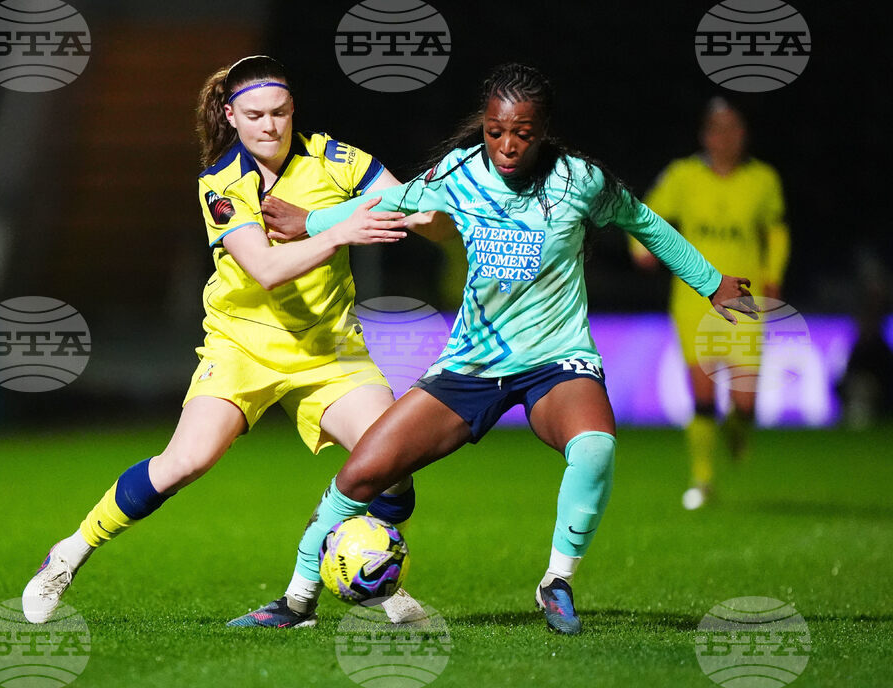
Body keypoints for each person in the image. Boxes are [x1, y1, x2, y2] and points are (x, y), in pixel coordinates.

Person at [235, 63, 758, 634]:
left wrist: (712, 282)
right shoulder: (460, 171)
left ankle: (556, 581)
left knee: (595, 448)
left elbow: (647, 224)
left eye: (522, 133)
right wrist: (312, 220)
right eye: (495, 130)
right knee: (361, 476)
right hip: (471, 366)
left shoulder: (579, 182)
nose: (507, 146)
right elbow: (394, 202)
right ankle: (297, 598)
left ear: (543, 131)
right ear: (484, 125)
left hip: (556, 361)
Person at [21, 55, 440, 628]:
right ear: (230, 115)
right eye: (255, 115)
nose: (270, 126)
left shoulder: (338, 160)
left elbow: (418, 210)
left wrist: (418, 207)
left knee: (394, 464)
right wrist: (338, 227)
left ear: (295, 109)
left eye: (281, 112)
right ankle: (67, 554)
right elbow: (266, 267)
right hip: (242, 347)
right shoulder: (221, 181)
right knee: (186, 461)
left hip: (328, 350)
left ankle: (363, 583)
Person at [631, 97, 790, 510]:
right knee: (703, 395)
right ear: (706, 136)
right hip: (694, 299)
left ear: (744, 135)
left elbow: (775, 231)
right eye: (718, 129)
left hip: (744, 301)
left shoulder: (763, 180)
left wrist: (773, 274)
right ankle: (702, 479)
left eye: (734, 129)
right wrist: (639, 248)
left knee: (746, 403)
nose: (726, 138)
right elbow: (645, 216)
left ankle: (738, 430)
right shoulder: (683, 176)